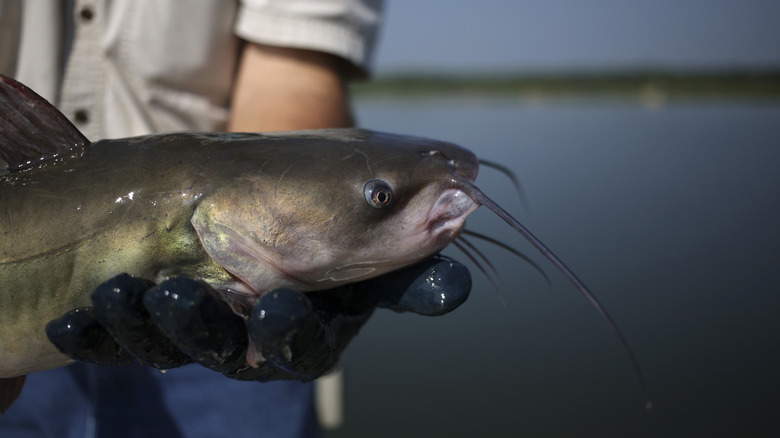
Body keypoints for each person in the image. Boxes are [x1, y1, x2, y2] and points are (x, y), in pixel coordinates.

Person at [0, 1, 471, 437]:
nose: (385, 199)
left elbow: (291, 76)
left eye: (380, 195)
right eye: (381, 196)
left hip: (214, 361)